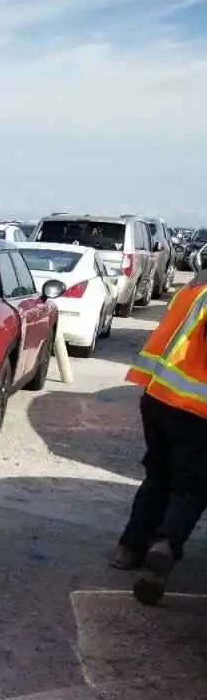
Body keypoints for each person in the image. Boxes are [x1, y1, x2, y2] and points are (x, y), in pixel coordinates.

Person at [111, 251, 207, 605]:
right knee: (192, 487)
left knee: (159, 475)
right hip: (198, 409)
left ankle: (129, 547)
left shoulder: (195, 285)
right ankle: (165, 546)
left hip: (158, 395)